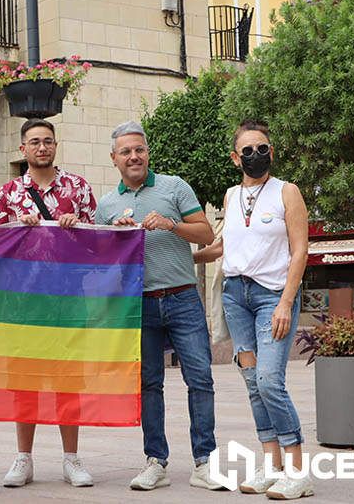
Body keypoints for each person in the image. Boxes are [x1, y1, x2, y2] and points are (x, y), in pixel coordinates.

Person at [95, 121, 224, 492]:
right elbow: (102, 260)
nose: (134, 156)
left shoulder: (174, 186)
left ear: (147, 152)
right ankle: (156, 462)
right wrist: (116, 235)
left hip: (183, 297)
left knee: (200, 379)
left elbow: (205, 233)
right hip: (140, 305)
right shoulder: (107, 204)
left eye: (140, 149)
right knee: (150, 384)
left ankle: (205, 462)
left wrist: (171, 224)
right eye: (126, 152)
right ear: (114, 159)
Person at [193, 121, 312, 499]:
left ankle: (296, 471)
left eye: (262, 148)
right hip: (235, 297)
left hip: (271, 297)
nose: (255, 155)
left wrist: (286, 303)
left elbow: (300, 250)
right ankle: (270, 464)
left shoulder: (287, 192)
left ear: (271, 152)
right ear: (235, 158)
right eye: (247, 151)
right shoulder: (230, 196)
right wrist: (183, 257)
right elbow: (222, 246)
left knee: (269, 381)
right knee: (251, 383)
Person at [0, 118, 97, 488]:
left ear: (55, 145)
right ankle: (23, 458)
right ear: (23, 149)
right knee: (25, 380)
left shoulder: (78, 188)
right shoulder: (8, 195)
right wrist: (18, 226)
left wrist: (76, 226)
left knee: (68, 379)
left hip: (69, 299)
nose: (42, 147)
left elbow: (99, 243)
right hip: (24, 301)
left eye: (48, 141)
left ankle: (72, 458)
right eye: (34, 142)